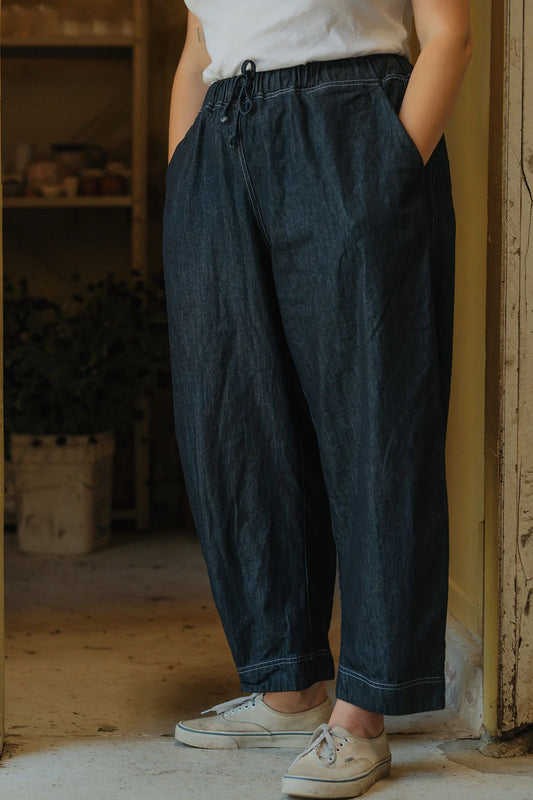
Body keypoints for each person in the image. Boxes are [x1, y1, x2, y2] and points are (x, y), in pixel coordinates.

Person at [162, 1, 473, 797]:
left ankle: (364, 711)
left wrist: (393, 167)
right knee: (234, 419)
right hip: (219, 140)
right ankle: (285, 681)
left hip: (347, 128)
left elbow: (448, 32)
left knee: (375, 423)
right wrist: (184, 173)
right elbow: (199, 42)